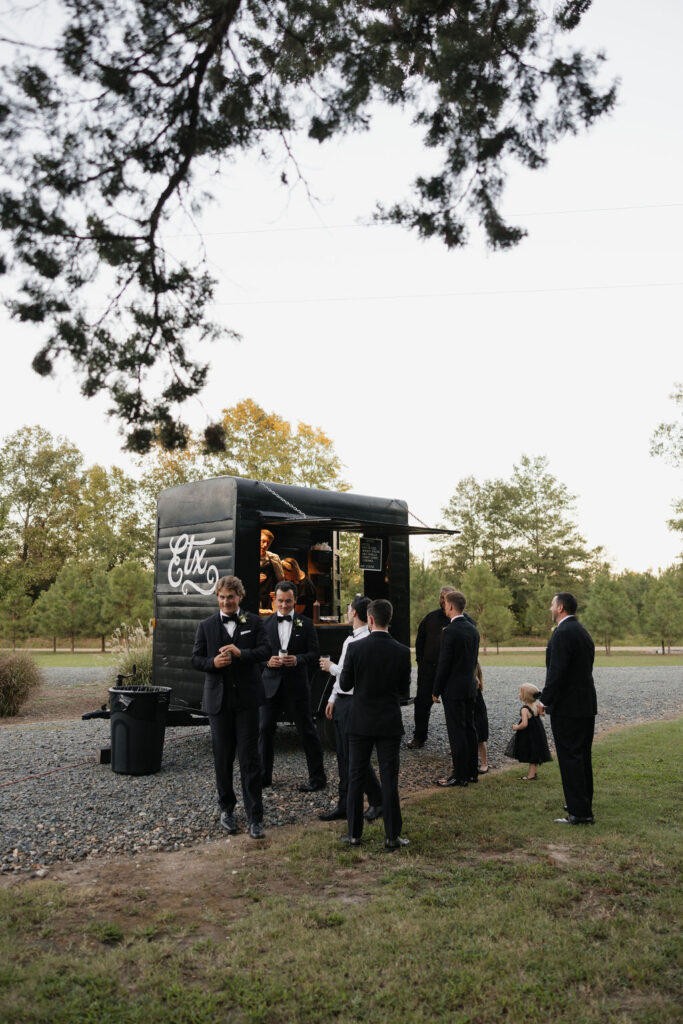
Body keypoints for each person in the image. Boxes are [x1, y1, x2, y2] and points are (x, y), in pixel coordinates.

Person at [191, 575, 269, 839]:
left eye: (231, 597)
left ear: (240, 597)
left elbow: (266, 652)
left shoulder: (255, 622)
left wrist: (241, 654)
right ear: (217, 598)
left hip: (247, 701)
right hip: (219, 702)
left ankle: (254, 816)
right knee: (222, 758)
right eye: (222, 597)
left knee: (250, 759)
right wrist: (213, 663)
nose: (226, 601)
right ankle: (227, 809)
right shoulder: (206, 626)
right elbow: (195, 659)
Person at [339, 598, 412, 851]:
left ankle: (354, 834)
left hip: (360, 721)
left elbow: (346, 685)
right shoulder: (402, 651)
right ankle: (392, 836)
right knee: (389, 779)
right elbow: (404, 691)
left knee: (356, 776)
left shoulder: (356, 649)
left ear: (369, 619)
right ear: (388, 619)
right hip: (389, 722)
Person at [318, 596, 383, 824]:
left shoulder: (366, 640)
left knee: (356, 758)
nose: (347, 611)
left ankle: (377, 800)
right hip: (343, 703)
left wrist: (330, 667)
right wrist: (333, 698)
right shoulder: (350, 640)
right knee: (343, 757)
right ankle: (344, 805)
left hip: (356, 704)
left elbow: (352, 677)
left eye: (348, 608)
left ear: (354, 613)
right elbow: (343, 679)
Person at [258, 580, 327, 792]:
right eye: (280, 601)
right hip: (270, 686)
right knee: (264, 730)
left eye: (288, 601)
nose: (284, 605)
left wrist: (297, 659)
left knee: (307, 731)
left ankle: (317, 779)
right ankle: (263, 778)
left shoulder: (306, 624)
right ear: (274, 600)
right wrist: (267, 661)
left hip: (296, 686)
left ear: (295, 600)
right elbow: (256, 654)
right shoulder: (264, 624)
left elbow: (314, 654)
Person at [538, 592, 597, 825]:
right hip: (585, 705)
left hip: (568, 708)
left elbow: (557, 672)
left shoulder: (562, 633)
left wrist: (544, 701)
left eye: (552, 605)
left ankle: (580, 813)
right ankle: (581, 803)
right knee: (582, 756)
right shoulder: (582, 631)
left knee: (570, 756)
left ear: (560, 607)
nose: (550, 609)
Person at [432, 590, 480, 787]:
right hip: (469, 686)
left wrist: (436, 690)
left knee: (456, 732)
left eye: (445, 604)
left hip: (453, 689)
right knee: (469, 728)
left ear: (451, 606)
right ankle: (471, 772)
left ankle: (459, 775)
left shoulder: (450, 631)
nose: (444, 607)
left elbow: (444, 664)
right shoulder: (473, 630)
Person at [407, 586, 455, 748]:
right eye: (441, 597)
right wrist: (421, 661)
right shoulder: (430, 618)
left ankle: (455, 742)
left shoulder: (458, 619)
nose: (443, 600)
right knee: (421, 704)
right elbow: (420, 641)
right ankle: (419, 737)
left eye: (446, 597)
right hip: (428, 670)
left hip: (450, 672)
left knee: (453, 706)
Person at [507, 684, 552, 780]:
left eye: (520, 692)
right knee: (535, 752)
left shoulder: (524, 709)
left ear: (523, 696)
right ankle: (533, 774)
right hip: (538, 733)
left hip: (529, 735)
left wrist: (516, 727)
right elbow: (540, 714)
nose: (519, 694)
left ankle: (531, 776)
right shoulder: (535, 706)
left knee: (532, 752)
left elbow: (524, 724)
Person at [259, 529, 284, 609]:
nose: (265, 545)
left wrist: (278, 592)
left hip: (269, 599)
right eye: (263, 541)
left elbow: (281, 580)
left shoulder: (274, 558)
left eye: (268, 543)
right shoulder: (247, 557)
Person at [474, 662, 491, 774]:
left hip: (478, 711)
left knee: (481, 738)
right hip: (473, 710)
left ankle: (484, 763)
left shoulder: (475, 682)